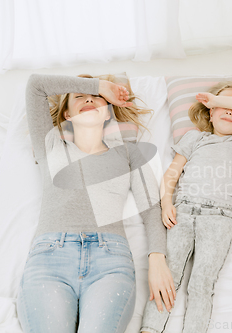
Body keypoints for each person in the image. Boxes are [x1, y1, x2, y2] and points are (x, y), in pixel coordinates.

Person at [16, 73, 175, 333]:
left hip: (110, 262)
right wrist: (100, 87)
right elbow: (35, 85)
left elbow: (151, 208)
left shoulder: (129, 153)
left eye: (97, 99)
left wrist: (157, 259)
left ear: (108, 113)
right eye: (79, 96)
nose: (89, 98)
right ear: (67, 114)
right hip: (50, 259)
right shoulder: (50, 146)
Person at [140, 81, 232, 333]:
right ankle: (149, 329)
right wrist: (166, 203)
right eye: (223, 106)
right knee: (169, 278)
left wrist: (218, 100)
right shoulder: (194, 138)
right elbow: (171, 176)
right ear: (210, 113)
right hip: (182, 213)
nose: (229, 111)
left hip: (219, 219)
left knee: (201, 284)